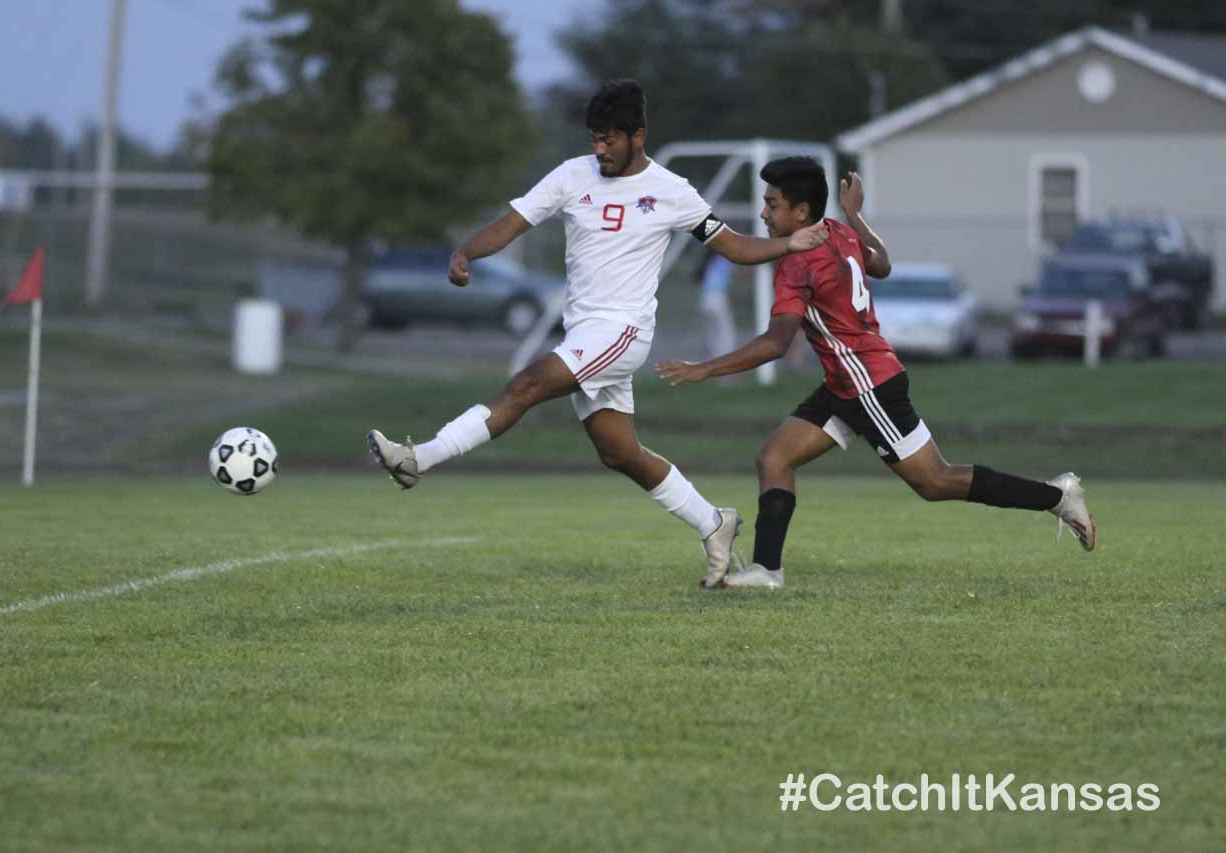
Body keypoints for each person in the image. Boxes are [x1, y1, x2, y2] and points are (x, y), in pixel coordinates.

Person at [367, 80, 828, 587]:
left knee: (527, 384)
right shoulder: (572, 175)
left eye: (610, 138)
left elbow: (735, 246)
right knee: (618, 452)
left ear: (639, 136)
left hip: (624, 331)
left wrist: (788, 246)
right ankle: (713, 522)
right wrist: (466, 253)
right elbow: (513, 223)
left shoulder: (672, 191)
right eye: (594, 138)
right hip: (585, 332)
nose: (600, 149)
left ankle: (419, 459)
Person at [655, 157, 1096, 589]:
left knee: (935, 481)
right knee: (774, 458)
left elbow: (775, 343)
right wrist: (854, 215)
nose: (764, 213)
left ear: (801, 212)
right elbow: (881, 263)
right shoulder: (838, 232)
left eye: (772, 204)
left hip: (868, 386)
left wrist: (704, 369)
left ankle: (1057, 497)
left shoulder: (797, 263)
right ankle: (767, 571)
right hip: (844, 382)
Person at [697, 252, 736, 361]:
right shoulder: (724, 259)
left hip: (705, 298)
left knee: (711, 331)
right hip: (717, 297)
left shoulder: (709, 261)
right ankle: (726, 360)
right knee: (725, 331)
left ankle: (711, 357)